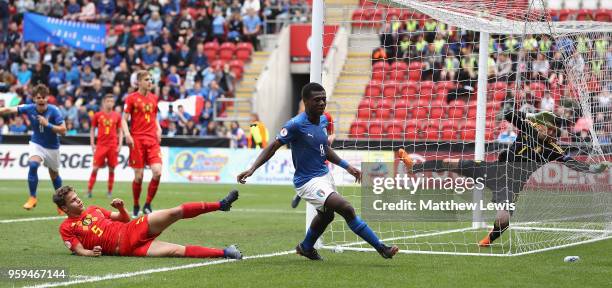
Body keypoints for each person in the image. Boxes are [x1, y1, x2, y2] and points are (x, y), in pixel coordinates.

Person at [397, 105, 609, 247]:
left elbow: (572, 163)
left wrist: (593, 169)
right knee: (454, 164)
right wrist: (526, 117)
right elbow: (508, 113)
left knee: (503, 218)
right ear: (542, 125)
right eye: (551, 129)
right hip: (494, 170)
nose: (553, 133)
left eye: (555, 131)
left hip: (511, 184)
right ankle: (413, 166)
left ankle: (490, 238)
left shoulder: (553, 148)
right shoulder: (529, 128)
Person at [237, 83, 399, 260]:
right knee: (346, 208)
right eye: (317, 100)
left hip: (324, 176)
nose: (322, 103)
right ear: (305, 102)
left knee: (326, 216)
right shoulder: (295, 125)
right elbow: (273, 147)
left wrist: (347, 166)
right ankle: (382, 248)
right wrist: (252, 168)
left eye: (324, 99)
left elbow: (324, 148)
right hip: (307, 181)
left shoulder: (324, 120)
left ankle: (306, 247)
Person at [54, 185, 242, 259]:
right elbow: (77, 249)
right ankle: (226, 252)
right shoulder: (66, 227)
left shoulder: (94, 209)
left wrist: (120, 208)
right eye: (73, 200)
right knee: (177, 251)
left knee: (174, 212)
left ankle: (221, 204)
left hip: (130, 230)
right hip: (128, 249)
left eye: (77, 197)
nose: (78, 200)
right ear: (65, 209)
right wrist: (90, 253)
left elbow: (124, 219)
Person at [0, 84, 66, 211]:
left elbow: (63, 131)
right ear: (34, 99)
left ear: (48, 98)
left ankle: (61, 203)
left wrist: (48, 124)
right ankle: (32, 197)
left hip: (52, 147)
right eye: (38, 97)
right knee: (33, 165)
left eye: (44, 97)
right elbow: (8, 110)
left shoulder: (54, 111)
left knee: (54, 174)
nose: (41, 100)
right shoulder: (29, 108)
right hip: (37, 143)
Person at [121, 71, 163, 218]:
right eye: (146, 79)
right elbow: (123, 119)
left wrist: (159, 128)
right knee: (139, 177)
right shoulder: (131, 98)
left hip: (152, 140)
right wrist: (127, 134)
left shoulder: (154, 98)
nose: (150, 81)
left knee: (157, 172)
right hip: (137, 140)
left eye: (151, 79)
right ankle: (136, 204)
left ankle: (148, 204)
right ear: (139, 82)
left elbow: (154, 116)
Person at [88, 94, 123, 198]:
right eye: (108, 101)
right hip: (101, 145)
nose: (110, 103)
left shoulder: (117, 116)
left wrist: (120, 144)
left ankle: (109, 191)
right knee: (95, 168)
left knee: (112, 169)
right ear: (104, 102)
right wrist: (92, 143)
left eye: (112, 101)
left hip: (112, 146)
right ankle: (89, 191)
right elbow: (92, 129)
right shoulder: (98, 115)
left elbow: (120, 131)